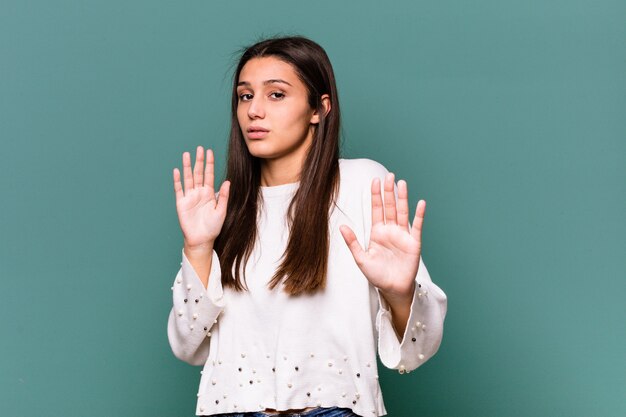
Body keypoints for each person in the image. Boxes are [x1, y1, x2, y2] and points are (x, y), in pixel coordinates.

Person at [167, 36, 447, 417]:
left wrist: (399, 295)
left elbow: (414, 352)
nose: (254, 111)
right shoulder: (223, 210)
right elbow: (187, 347)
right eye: (245, 96)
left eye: (276, 95)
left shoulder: (362, 184)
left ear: (319, 107)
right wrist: (198, 247)